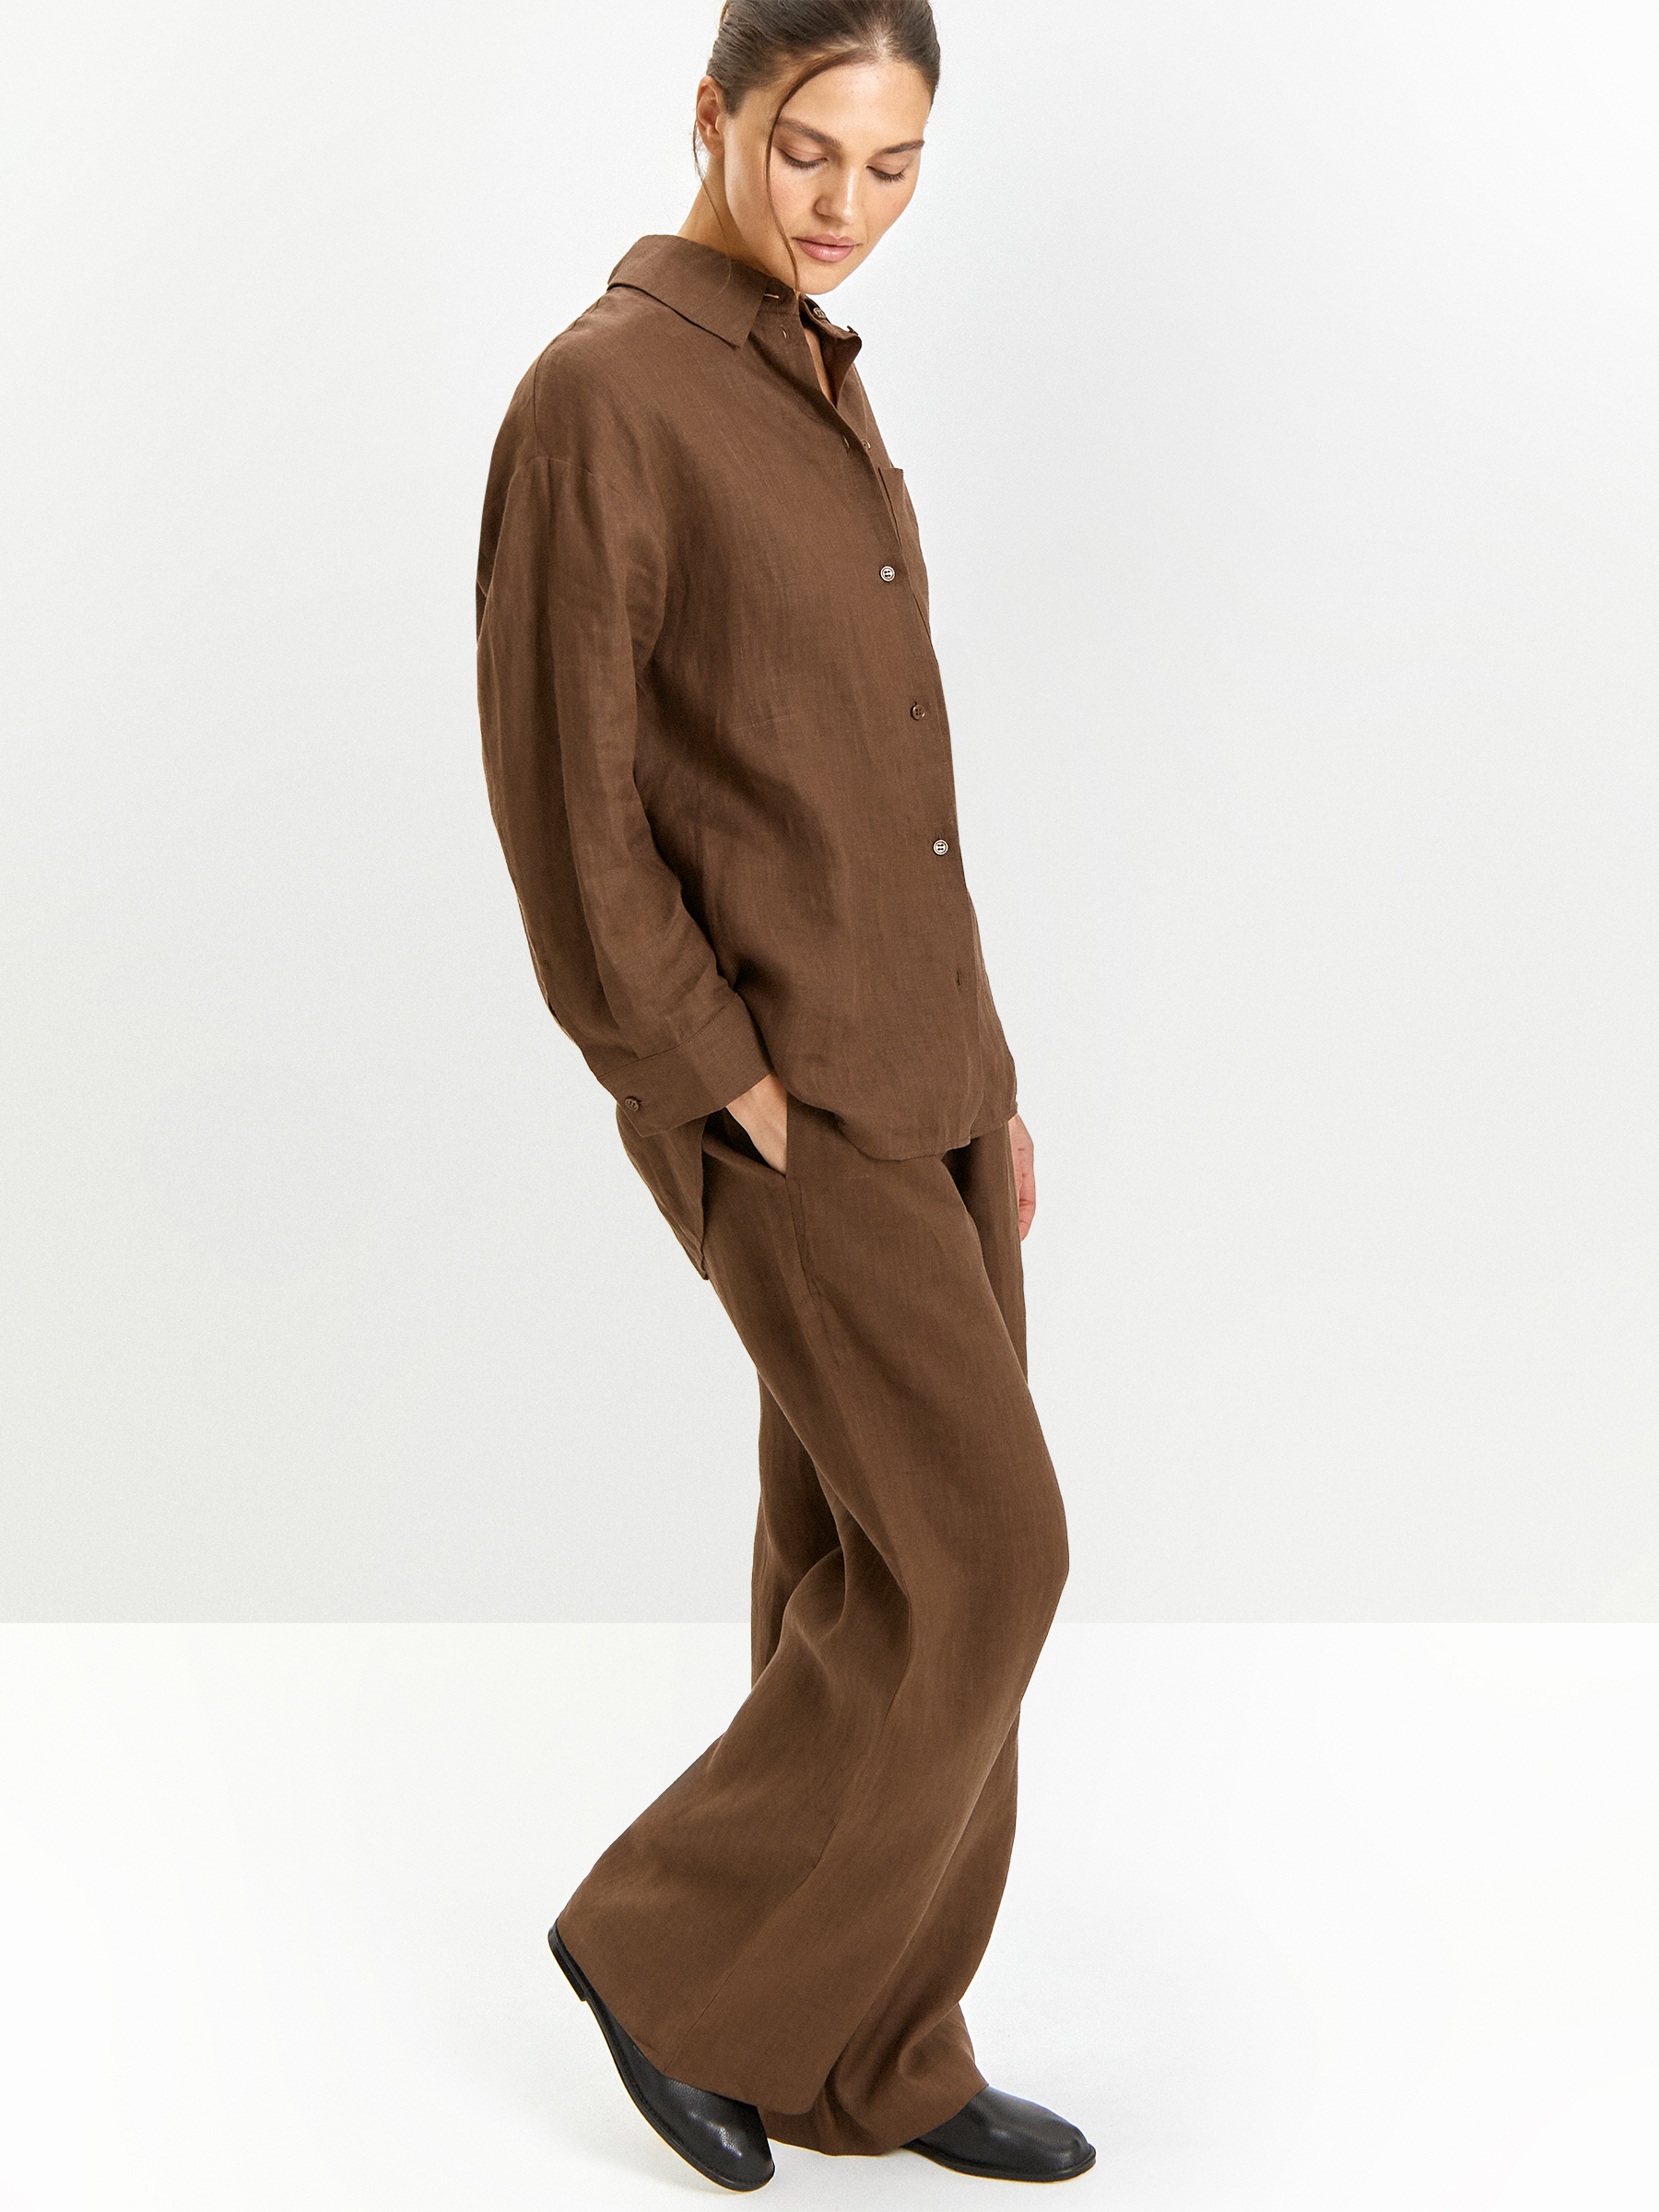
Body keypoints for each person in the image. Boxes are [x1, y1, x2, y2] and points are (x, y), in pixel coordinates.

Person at [475, 0, 1091, 2189]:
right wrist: (707, 1076)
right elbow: (568, 800)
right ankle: (662, 1951)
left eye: (894, 166)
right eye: (810, 148)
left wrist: (991, 1078)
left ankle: (872, 2056)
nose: (848, 206)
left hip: (929, 1072)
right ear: (714, 114)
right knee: (990, 1556)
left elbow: (881, 789)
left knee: (865, 1554)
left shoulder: (812, 381)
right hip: (782, 1086)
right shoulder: (602, 396)